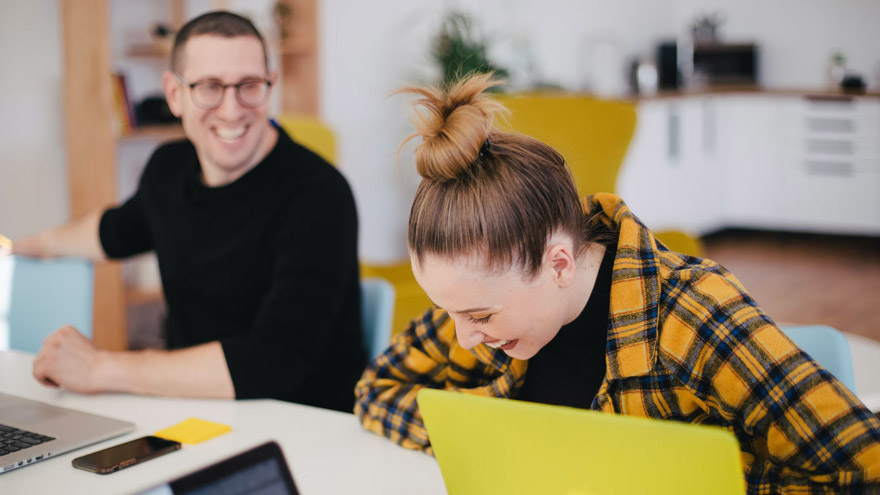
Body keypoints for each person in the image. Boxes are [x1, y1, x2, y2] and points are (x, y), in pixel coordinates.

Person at [354, 73, 880, 491]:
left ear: (559, 264)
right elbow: (376, 391)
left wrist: (681, 477)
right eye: (450, 311)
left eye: (479, 316)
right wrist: (494, 438)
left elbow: (863, 470)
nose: (464, 337)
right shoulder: (483, 301)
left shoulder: (693, 313)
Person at [9, 11, 365, 412]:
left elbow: (275, 359)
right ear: (174, 94)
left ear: (271, 85)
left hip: (303, 424)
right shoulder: (168, 168)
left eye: (249, 86)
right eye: (209, 87)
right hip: (191, 411)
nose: (231, 110)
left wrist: (100, 368)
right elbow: (115, 231)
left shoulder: (320, 195)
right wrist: (24, 245)